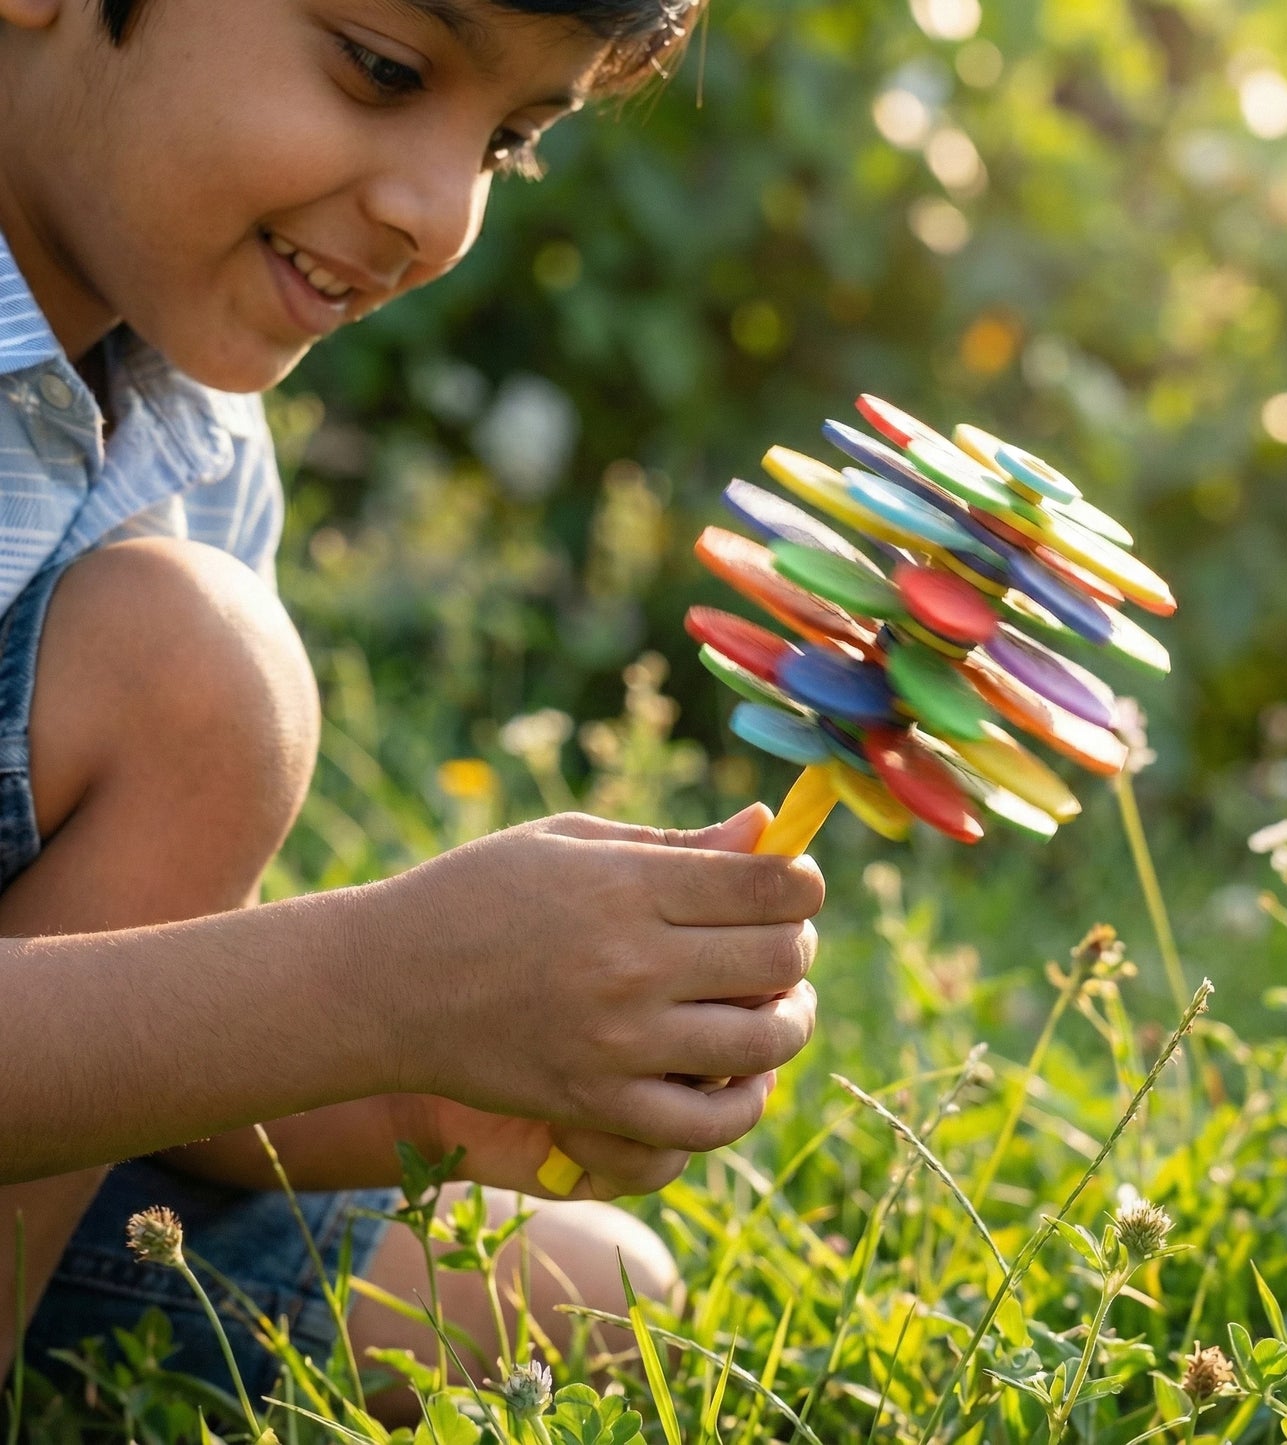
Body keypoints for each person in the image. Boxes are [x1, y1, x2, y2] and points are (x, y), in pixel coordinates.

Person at [0, 0, 823, 1423]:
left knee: (591, 1293)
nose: (436, 214)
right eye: (381, 68)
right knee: (195, 675)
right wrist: (365, 979)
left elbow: (134, 1021)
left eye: (507, 141)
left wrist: (426, 1076)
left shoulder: (188, 430)